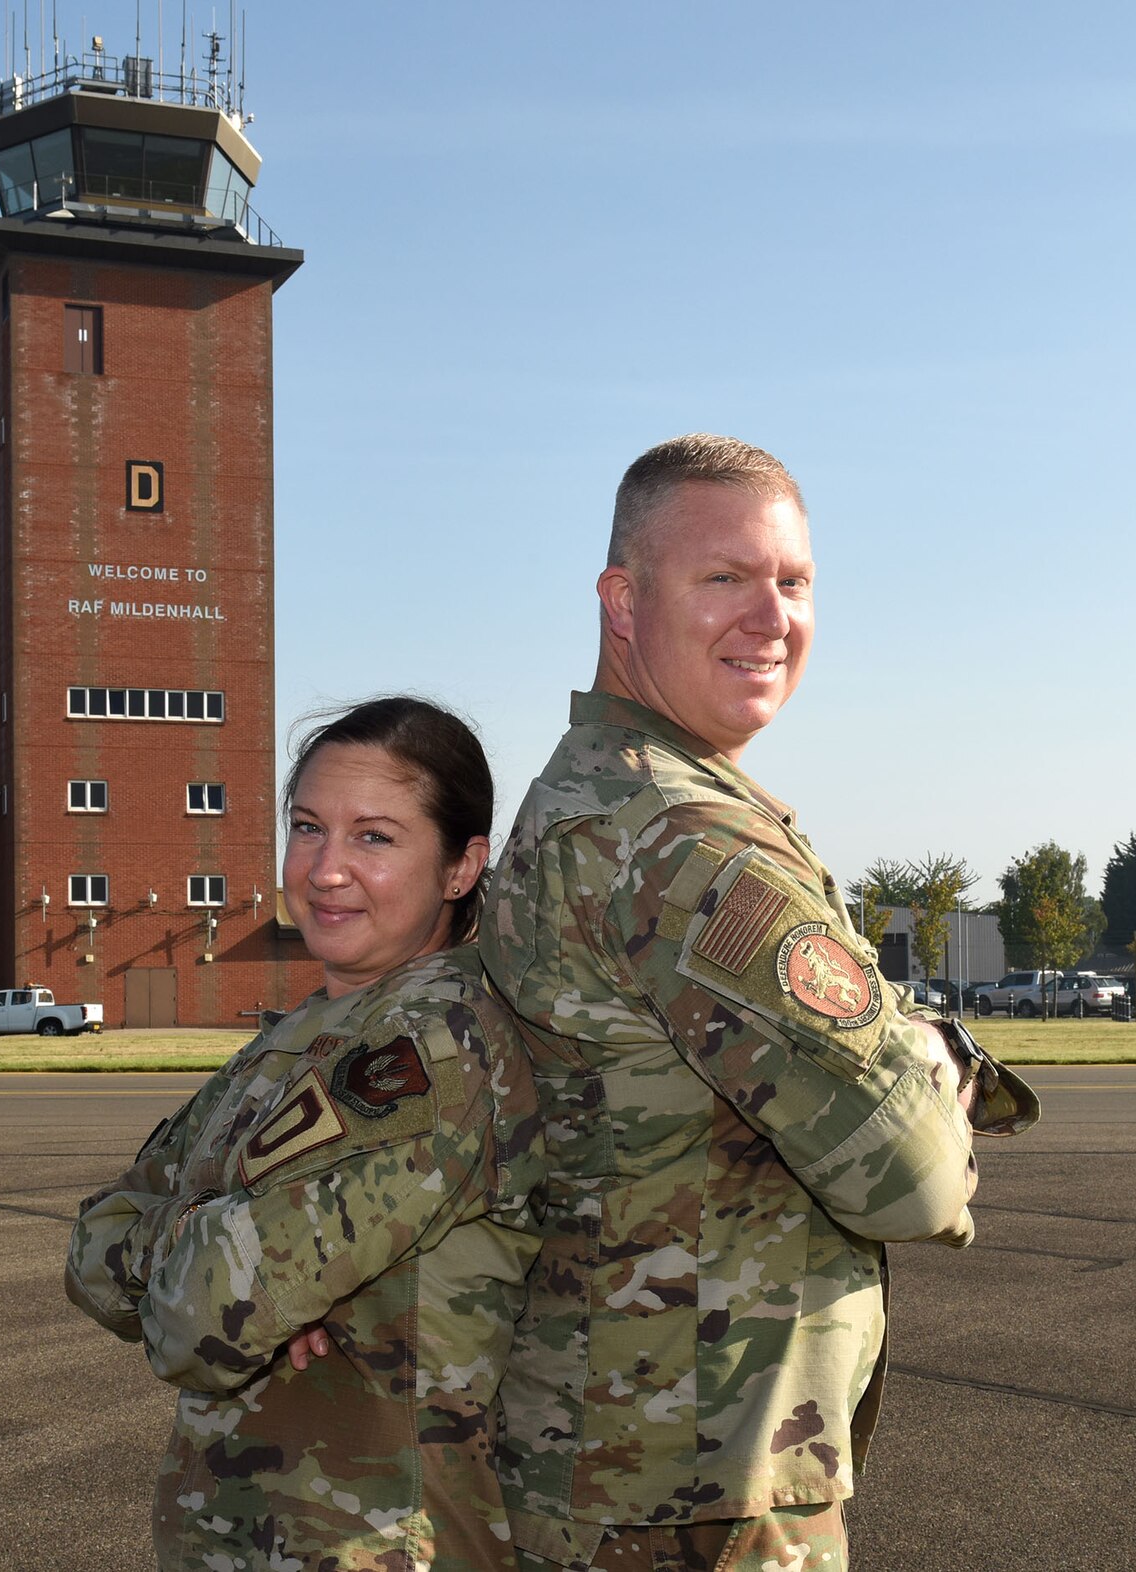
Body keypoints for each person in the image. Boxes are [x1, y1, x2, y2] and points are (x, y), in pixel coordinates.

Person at [480, 435, 1037, 1572]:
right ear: (621, 602)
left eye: (792, 581)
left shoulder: (593, 795)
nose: (769, 616)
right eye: (722, 578)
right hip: (691, 1487)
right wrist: (930, 1061)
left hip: (613, 1458)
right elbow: (909, 1176)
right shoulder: (679, 841)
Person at [65, 696, 550, 1571]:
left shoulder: (431, 1048)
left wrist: (191, 1248)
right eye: (307, 827)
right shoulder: (297, 1036)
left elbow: (204, 1313)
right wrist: (205, 1246)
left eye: (375, 837)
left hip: (374, 1544)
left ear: (460, 867)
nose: (326, 870)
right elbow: (92, 1247)